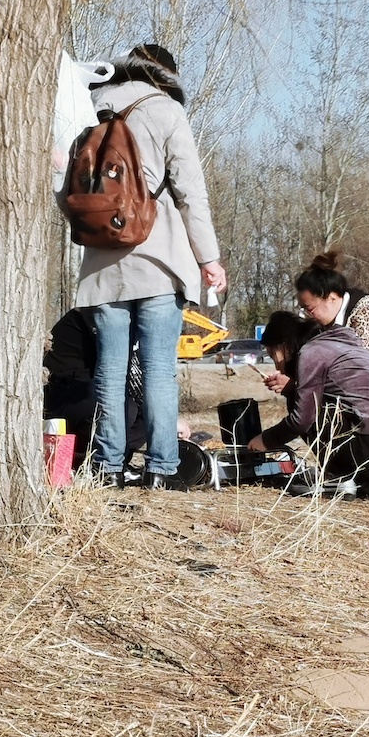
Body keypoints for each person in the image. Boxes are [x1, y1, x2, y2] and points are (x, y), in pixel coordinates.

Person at [68, 43, 227, 491]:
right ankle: (161, 469)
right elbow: (191, 195)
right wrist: (208, 259)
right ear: (168, 76)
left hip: (102, 262)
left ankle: (109, 466)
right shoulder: (166, 111)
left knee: (110, 368)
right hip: (159, 257)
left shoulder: (91, 104)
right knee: (158, 368)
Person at [264, 250, 369, 490]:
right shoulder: (327, 326)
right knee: (309, 398)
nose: (307, 315)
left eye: (309, 309)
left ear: (331, 298)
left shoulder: (366, 311)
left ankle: (361, 468)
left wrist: (297, 387)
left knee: (308, 405)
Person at [248, 311, 369, 500]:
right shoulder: (350, 350)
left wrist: (266, 440)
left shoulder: (311, 352)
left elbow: (301, 421)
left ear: (284, 345)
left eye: (273, 355)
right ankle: (366, 482)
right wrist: (293, 386)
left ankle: (336, 478)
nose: (277, 366)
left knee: (303, 403)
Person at [43, 308, 145, 471]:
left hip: (87, 394)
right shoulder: (93, 315)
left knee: (143, 413)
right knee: (125, 409)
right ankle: (83, 459)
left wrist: (164, 419)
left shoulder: (128, 320)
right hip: (63, 396)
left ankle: (115, 460)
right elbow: (121, 369)